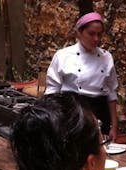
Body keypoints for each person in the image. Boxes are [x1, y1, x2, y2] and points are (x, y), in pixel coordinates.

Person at [44, 11, 119, 139]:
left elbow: (111, 94)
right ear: (79, 32)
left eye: (99, 34)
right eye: (91, 34)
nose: (96, 39)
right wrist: (53, 121)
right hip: (72, 111)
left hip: (100, 112)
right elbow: (52, 92)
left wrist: (114, 126)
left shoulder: (106, 57)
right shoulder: (63, 56)